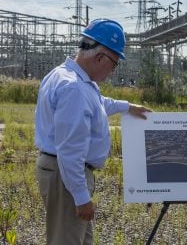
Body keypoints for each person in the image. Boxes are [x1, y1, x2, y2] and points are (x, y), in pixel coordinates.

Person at [35, 19, 152, 245]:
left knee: (81, 239)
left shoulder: (68, 77)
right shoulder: (74, 88)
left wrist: (127, 107)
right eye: (114, 64)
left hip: (63, 174)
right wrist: (81, 197)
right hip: (66, 176)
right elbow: (70, 151)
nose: (113, 71)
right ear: (100, 58)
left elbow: (98, 104)